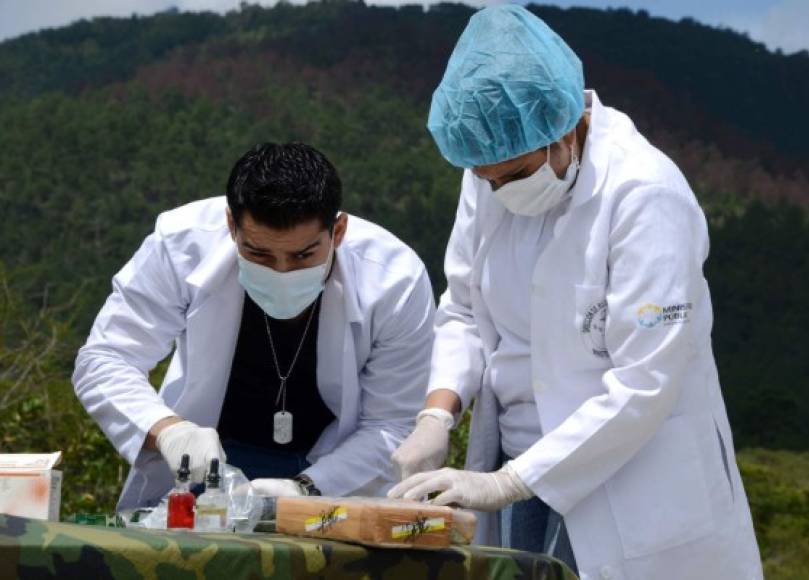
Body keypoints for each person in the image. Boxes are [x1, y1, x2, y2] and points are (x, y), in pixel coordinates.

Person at [388, 6, 763, 580]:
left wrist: (508, 482)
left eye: (513, 175)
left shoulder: (644, 195)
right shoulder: (490, 169)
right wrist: (437, 415)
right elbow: (462, 307)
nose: (499, 191)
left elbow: (645, 380)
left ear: (564, 128)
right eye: (487, 180)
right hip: (516, 468)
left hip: (633, 475)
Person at [74, 142, 435, 509]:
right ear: (232, 225)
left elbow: (390, 424)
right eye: (259, 254)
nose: (281, 271)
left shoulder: (395, 280)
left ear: (337, 232)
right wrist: (168, 431)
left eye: (303, 255)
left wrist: (307, 488)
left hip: (333, 473)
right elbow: (105, 358)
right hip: (207, 467)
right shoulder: (181, 244)